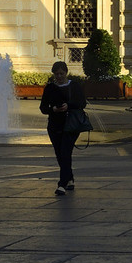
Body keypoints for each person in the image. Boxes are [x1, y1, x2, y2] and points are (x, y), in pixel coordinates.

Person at [38, 60, 88, 195]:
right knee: (60, 154)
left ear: (66, 73)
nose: (59, 76)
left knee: (65, 152)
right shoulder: (50, 88)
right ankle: (70, 178)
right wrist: (53, 109)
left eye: (61, 73)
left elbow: (82, 103)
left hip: (71, 125)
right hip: (54, 126)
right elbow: (43, 108)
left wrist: (69, 106)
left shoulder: (74, 86)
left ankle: (62, 184)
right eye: (56, 74)